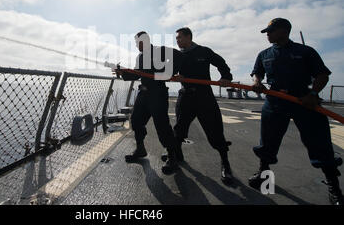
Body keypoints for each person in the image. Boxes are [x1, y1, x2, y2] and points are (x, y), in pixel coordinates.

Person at [249, 18, 343, 205]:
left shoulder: (305, 51)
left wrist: (313, 93)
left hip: (304, 101)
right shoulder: (264, 53)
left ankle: (334, 187)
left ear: (284, 31)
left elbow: (322, 75)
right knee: (268, 142)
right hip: (275, 102)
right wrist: (257, 81)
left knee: (319, 143)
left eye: (271, 31)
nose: (267, 34)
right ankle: (263, 173)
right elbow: (256, 72)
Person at [171, 27, 234, 184]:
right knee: (179, 128)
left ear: (188, 37)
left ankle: (225, 164)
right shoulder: (178, 56)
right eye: (176, 38)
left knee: (215, 132)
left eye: (179, 38)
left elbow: (220, 63)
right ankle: (175, 157)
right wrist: (175, 76)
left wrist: (226, 77)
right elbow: (168, 72)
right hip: (185, 96)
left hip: (204, 96)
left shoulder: (204, 51)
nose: (177, 40)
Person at [113, 31, 180, 175]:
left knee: (162, 125)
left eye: (139, 43)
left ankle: (172, 156)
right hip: (143, 93)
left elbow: (179, 56)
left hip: (157, 93)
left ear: (146, 41)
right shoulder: (141, 56)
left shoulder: (160, 51)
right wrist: (123, 73)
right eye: (136, 43)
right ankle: (140, 149)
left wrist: (169, 72)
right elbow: (138, 73)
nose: (137, 46)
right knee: (136, 120)